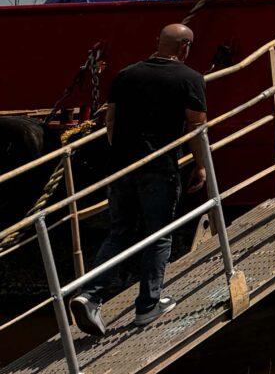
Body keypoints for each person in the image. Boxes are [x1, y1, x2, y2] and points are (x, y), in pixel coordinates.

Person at [67, 23, 205, 335]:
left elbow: (111, 120)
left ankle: (90, 295)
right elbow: (197, 128)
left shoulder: (126, 75)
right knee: (159, 235)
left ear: (158, 42)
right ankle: (147, 306)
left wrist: (120, 158)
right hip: (159, 167)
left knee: (120, 232)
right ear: (184, 47)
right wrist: (201, 166)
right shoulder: (190, 78)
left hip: (122, 168)